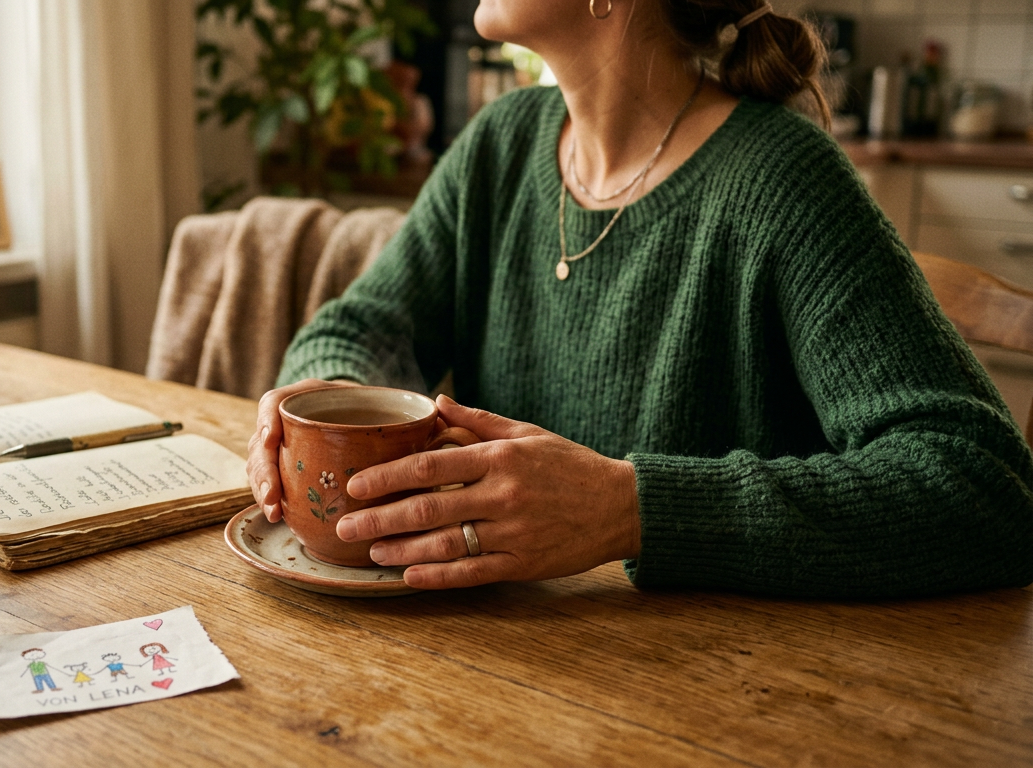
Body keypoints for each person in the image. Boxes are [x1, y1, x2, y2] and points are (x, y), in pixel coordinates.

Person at [246, 0, 1033, 598]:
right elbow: (361, 324)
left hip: (722, 697)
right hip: (499, 665)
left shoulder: (785, 181)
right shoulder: (503, 141)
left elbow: (986, 488)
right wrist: (329, 400)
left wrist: (634, 508)